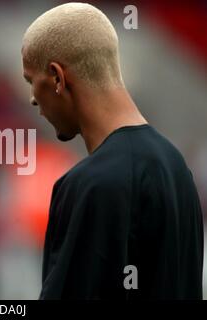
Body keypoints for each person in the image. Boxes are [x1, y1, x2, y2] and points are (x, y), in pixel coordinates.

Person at [21, 3, 204, 299]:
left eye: (31, 81)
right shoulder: (177, 168)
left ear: (57, 77)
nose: (31, 99)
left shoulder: (91, 184)